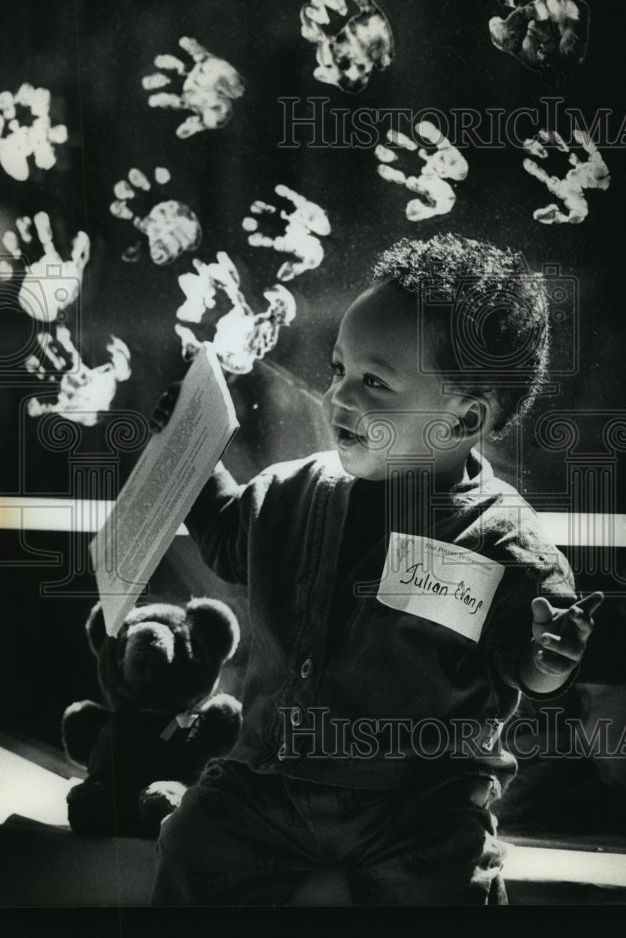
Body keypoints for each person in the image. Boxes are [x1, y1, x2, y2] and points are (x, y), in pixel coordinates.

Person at [149, 232, 602, 906]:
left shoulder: (497, 540)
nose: (337, 398)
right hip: (270, 784)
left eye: (373, 382)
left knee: (451, 882)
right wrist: (190, 459)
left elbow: (522, 665)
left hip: (419, 805)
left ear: (463, 419)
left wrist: (551, 658)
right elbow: (223, 537)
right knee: (192, 839)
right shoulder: (289, 491)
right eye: (337, 369)